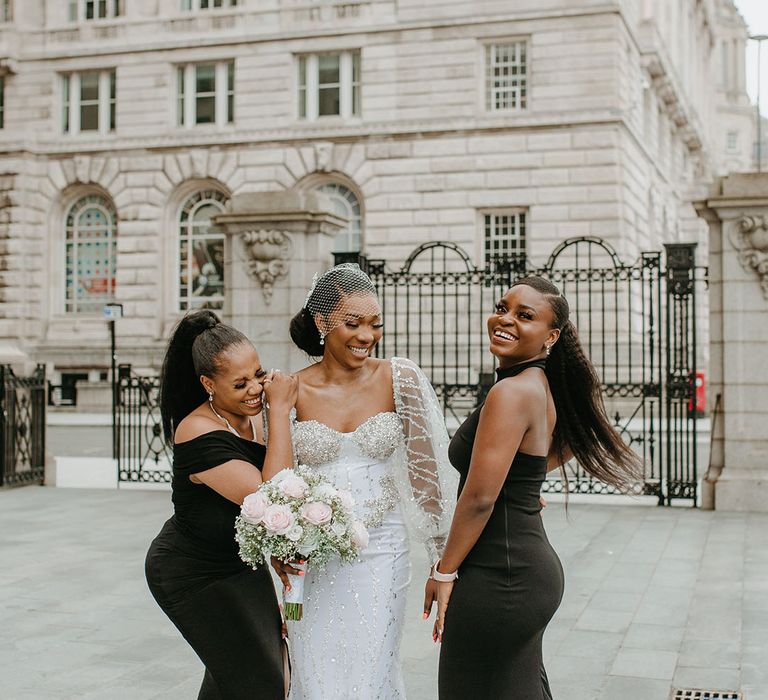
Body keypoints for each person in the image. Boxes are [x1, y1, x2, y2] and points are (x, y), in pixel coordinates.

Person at [426, 276, 641, 700]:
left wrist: (443, 570)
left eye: (525, 316)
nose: (504, 319)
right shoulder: (536, 385)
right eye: (502, 307)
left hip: (500, 577)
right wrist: (524, 482)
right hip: (520, 573)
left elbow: (479, 497)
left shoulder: (513, 391)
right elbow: (562, 445)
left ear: (552, 336)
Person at [277, 263, 456, 700]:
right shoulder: (291, 390)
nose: (366, 335)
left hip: (384, 550)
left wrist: (441, 562)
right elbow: (278, 483)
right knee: (315, 674)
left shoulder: (400, 378)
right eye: (352, 323)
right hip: (314, 559)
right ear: (322, 323)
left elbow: (427, 472)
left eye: (375, 324)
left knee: (371, 669)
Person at [145, 310, 297, 700]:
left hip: (239, 563)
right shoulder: (196, 430)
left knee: (257, 671)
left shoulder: (252, 417)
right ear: (208, 384)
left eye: (259, 375)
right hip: (191, 572)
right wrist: (278, 410)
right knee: (260, 683)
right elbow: (272, 494)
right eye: (240, 383)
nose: (255, 390)